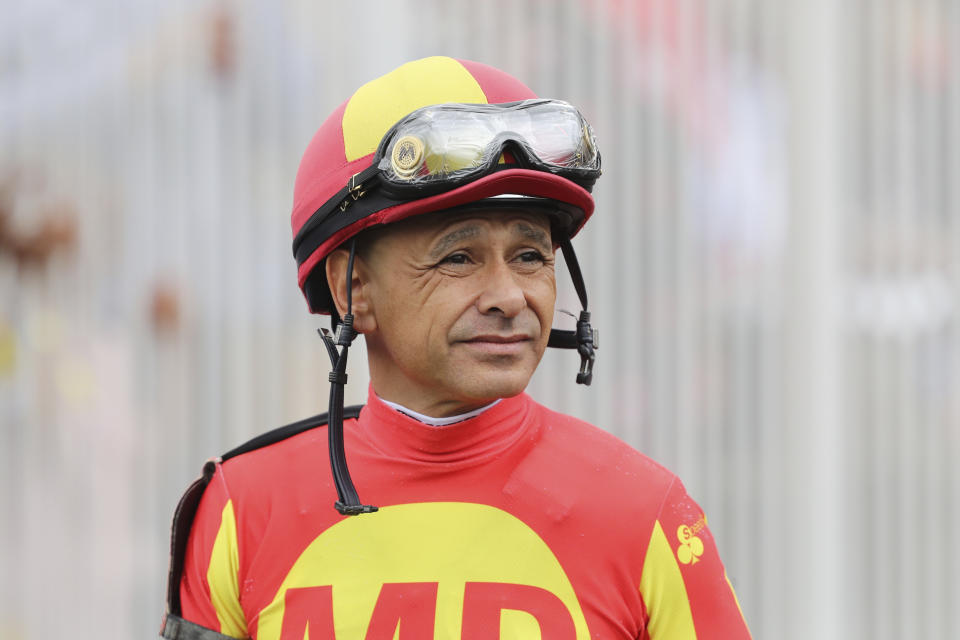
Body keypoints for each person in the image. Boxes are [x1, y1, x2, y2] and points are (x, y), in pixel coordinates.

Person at [160, 56, 751, 640]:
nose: (509, 296)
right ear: (352, 288)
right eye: (459, 258)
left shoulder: (650, 515)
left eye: (529, 256)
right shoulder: (239, 511)